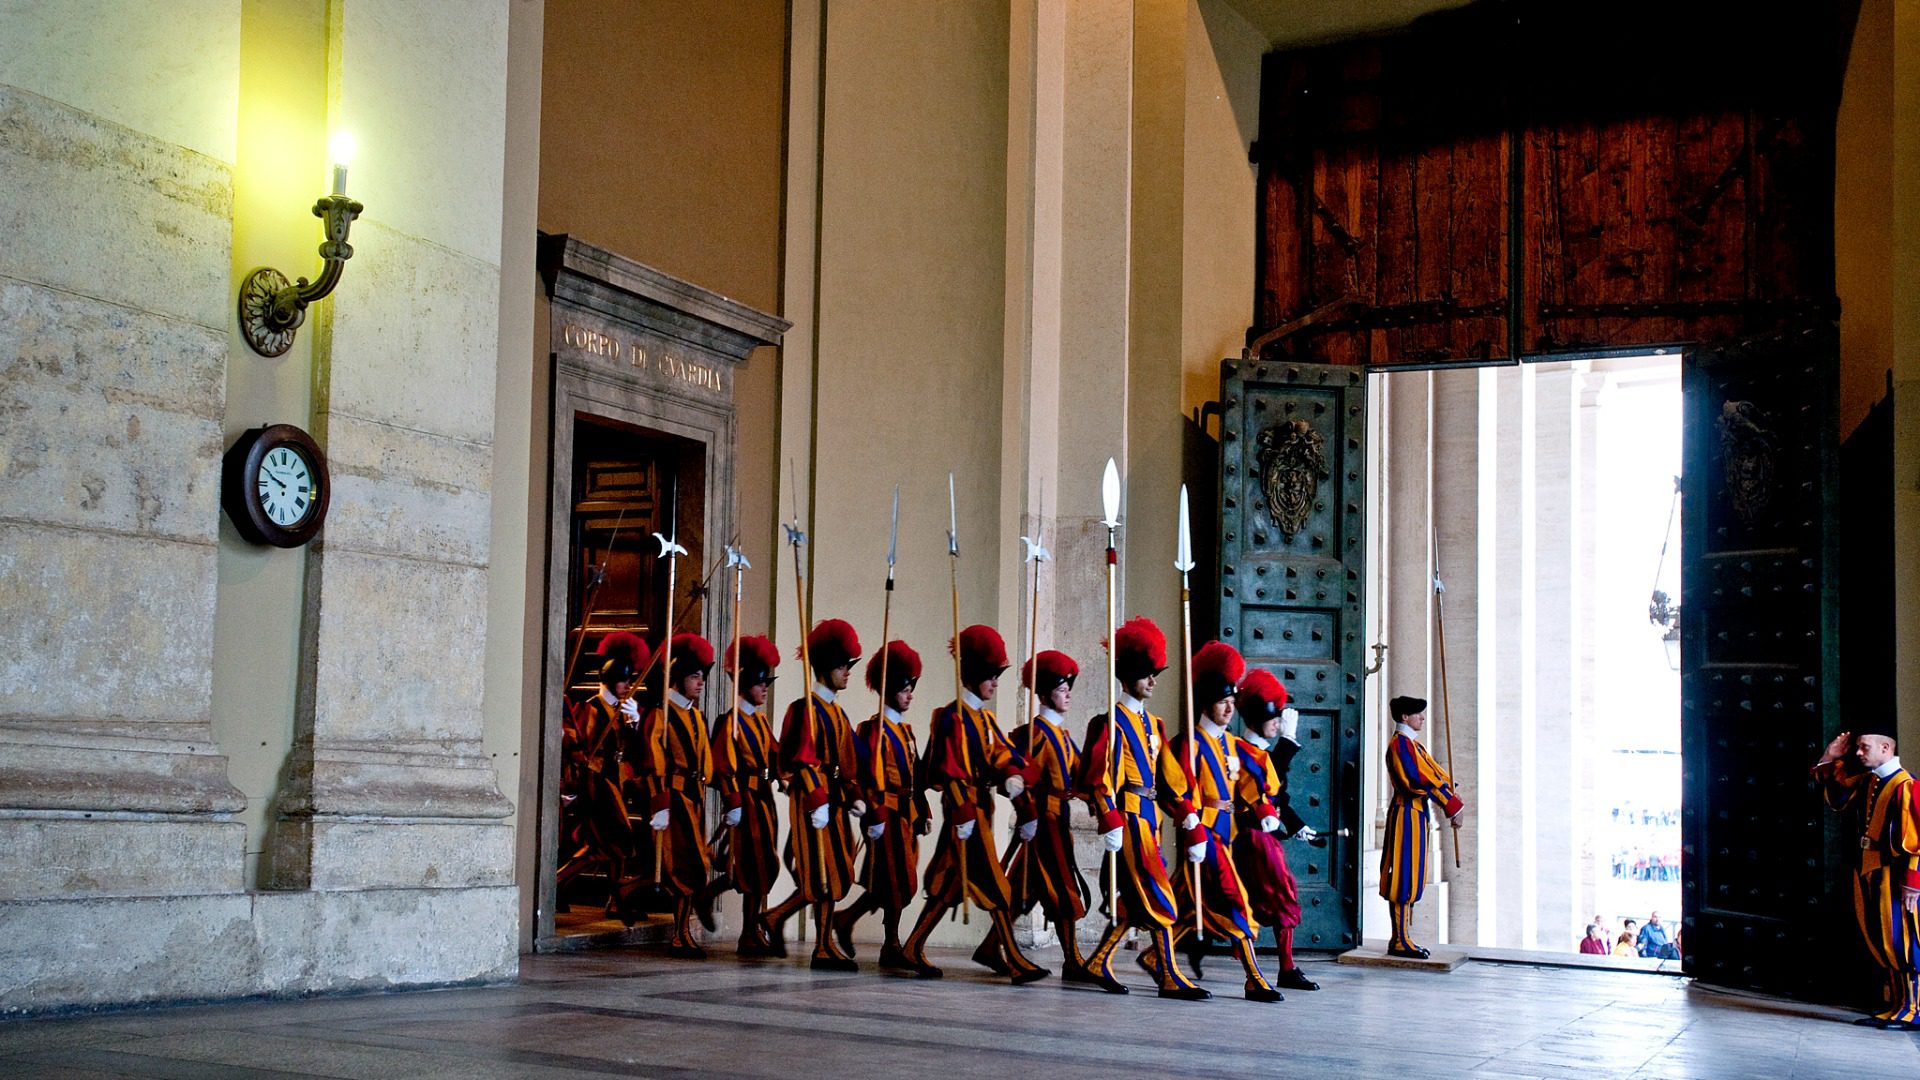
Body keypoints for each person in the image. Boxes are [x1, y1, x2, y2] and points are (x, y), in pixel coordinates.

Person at [898, 625, 1048, 984]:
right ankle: (1013, 958)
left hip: (982, 807)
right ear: (975, 675)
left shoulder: (986, 719)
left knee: (949, 886)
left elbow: (1002, 753)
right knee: (998, 888)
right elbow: (944, 768)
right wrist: (961, 809)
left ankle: (913, 946)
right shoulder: (949, 716)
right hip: (965, 811)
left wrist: (1013, 775)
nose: (995, 683)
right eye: (991, 676)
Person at [1139, 641, 1284, 1003]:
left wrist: (1262, 808)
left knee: (1188, 907)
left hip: (1226, 831)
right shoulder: (1189, 743)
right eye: (1223, 702)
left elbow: (1252, 779)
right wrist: (1191, 823)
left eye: (1233, 702)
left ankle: (1152, 955)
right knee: (1236, 901)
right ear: (1207, 702)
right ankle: (1253, 977)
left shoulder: (1230, 744)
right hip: (1203, 835)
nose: (1230, 708)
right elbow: (1176, 788)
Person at [1076, 616, 1209, 1000]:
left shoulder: (1155, 724)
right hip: (1130, 818)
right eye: (1148, 673)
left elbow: (1168, 780)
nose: (1153, 680)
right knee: (1159, 894)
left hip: (1151, 819)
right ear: (1130, 674)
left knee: (1134, 900)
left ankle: (1099, 960)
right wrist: (1109, 817)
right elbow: (1099, 777)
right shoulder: (1111, 722)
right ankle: (1167, 973)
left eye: (1156, 674)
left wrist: (1188, 816)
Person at [985, 649, 1095, 983]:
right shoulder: (1035, 734)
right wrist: (1026, 813)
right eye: (1063, 690)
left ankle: (991, 946)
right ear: (1046, 694)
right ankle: (1073, 959)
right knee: (1062, 889)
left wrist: (1094, 797)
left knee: (1025, 890)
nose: (1069, 695)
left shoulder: (1062, 735)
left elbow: (1080, 774)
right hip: (1043, 822)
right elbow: (1017, 780)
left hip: (1059, 819)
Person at [764, 619, 864, 970]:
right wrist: (816, 799)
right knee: (820, 874)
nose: (847, 673)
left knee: (837, 872)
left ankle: (800, 930)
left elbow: (848, 758)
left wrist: (854, 794)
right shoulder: (802, 708)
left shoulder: (837, 712)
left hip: (832, 799)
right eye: (842, 666)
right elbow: (798, 762)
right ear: (824, 668)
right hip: (812, 802)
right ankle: (821, 946)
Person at [1813, 724, 1920, 1029]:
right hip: (1871, 869)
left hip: (1896, 874)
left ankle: (1913, 1009)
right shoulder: (1870, 782)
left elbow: (1918, 840)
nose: (1858, 753)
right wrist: (1829, 756)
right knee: (1884, 942)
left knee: (1905, 941)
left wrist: (1913, 881)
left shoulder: (1906, 785)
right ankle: (1897, 1005)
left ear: (1886, 749)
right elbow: (1836, 796)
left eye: (1864, 748)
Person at [831, 639, 930, 970]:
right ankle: (891, 942)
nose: (910, 695)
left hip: (904, 813)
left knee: (895, 882)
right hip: (883, 814)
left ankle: (849, 921)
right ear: (889, 690)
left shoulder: (907, 732)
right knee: (896, 881)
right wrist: (872, 815)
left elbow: (915, 778)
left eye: (911, 688)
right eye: (904, 689)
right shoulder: (872, 731)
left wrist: (923, 812)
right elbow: (865, 777)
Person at [1230, 667, 1320, 991]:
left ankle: (1285, 967)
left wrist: (1296, 825)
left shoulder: (1258, 752)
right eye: (1274, 716)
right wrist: (1287, 743)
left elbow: (1276, 793)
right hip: (1249, 836)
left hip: (1263, 834)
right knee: (1269, 896)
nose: (1278, 722)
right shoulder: (1240, 750)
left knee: (1281, 895)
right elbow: (1260, 788)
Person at [638, 632, 717, 958]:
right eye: (694, 676)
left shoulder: (697, 716)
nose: (700, 683)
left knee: (695, 868)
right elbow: (651, 762)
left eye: (702, 676)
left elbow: (707, 763)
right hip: (673, 800)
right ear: (678, 677)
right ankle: (680, 933)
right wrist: (659, 804)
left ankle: (683, 931)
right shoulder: (661, 714)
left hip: (694, 799)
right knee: (686, 869)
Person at [703, 634, 783, 956]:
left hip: (762, 800)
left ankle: (748, 928)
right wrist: (732, 800)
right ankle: (748, 932)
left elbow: (775, 755)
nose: (765, 688)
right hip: (746, 802)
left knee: (765, 866)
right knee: (754, 867)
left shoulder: (759, 721)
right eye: (761, 682)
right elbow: (723, 765)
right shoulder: (731, 723)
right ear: (747, 681)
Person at [564, 631, 649, 925]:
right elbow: (580, 748)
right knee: (611, 843)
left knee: (613, 846)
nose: (629, 685)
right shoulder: (592, 707)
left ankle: (615, 900)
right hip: (597, 783)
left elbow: (632, 749)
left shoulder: (622, 710)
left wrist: (634, 722)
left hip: (616, 781)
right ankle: (560, 882)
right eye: (625, 680)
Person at [1379, 694, 1464, 959]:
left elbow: (1434, 774)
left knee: (1413, 875)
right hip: (1406, 814)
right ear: (1405, 716)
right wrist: (1451, 805)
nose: (1423, 718)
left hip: (1416, 815)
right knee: (1404, 876)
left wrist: (1449, 789)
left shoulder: (1413, 746)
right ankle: (1400, 940)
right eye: (1418, 714)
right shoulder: (1401, 745)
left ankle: (1403, 937)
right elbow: (1417, 780)